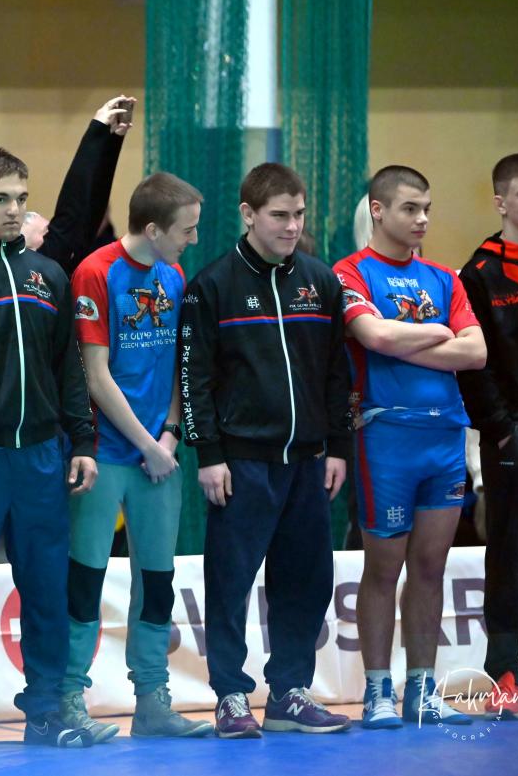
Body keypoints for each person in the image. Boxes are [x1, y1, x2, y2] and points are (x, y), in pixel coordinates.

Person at [0, 96, 133, 753]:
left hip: (42, 459)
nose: (13, 210)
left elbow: (69, 367)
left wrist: (83, 440)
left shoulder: (48, 276)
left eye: (20, 198)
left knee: (45, 591)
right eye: (0, 199)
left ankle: (46, 711)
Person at [179, 162, 352, 738]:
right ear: (248, 215)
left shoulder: (320, 281)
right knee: (230, 582)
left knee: (307, 580)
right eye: (279, 215)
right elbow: (194, 379)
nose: (292, 226)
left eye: (299, 214)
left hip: (309, 461)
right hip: (242, 463)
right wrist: (208, 454)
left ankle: (289, 693)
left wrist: (337, 446)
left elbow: (337, 372)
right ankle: (230, 695)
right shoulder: (211, 285)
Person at [62, 172, 212, 741]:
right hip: (105, 455)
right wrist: (146, 444)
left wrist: (169, 435)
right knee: (85, 577)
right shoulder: (95, 272)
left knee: (158, 579)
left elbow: (177, 364)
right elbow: (96, 376)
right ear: (152, 229)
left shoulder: (173, 276)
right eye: (186, 230)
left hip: (160, 459)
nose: (193, 240)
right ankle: (68, 697)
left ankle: (152, 700)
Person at [334, 166, 485, 728]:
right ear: (378, 210)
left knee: (430, 567)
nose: (422, 219)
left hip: (444, 438)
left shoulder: (445, 278)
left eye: (427, 209)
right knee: (383, 568)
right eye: (409, 208)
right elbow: (373, 336)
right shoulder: (350, 272)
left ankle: (422, 690)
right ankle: (378, 691)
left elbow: (476, 352)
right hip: (385, 439)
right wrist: (440, 333)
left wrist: (406, 342)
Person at [456, 151, 518, 718]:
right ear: (501, 202)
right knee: (508, 555)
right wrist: (502, 432)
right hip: (514, 433)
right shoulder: (479, 273)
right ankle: (506, 670)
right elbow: (473, 365)